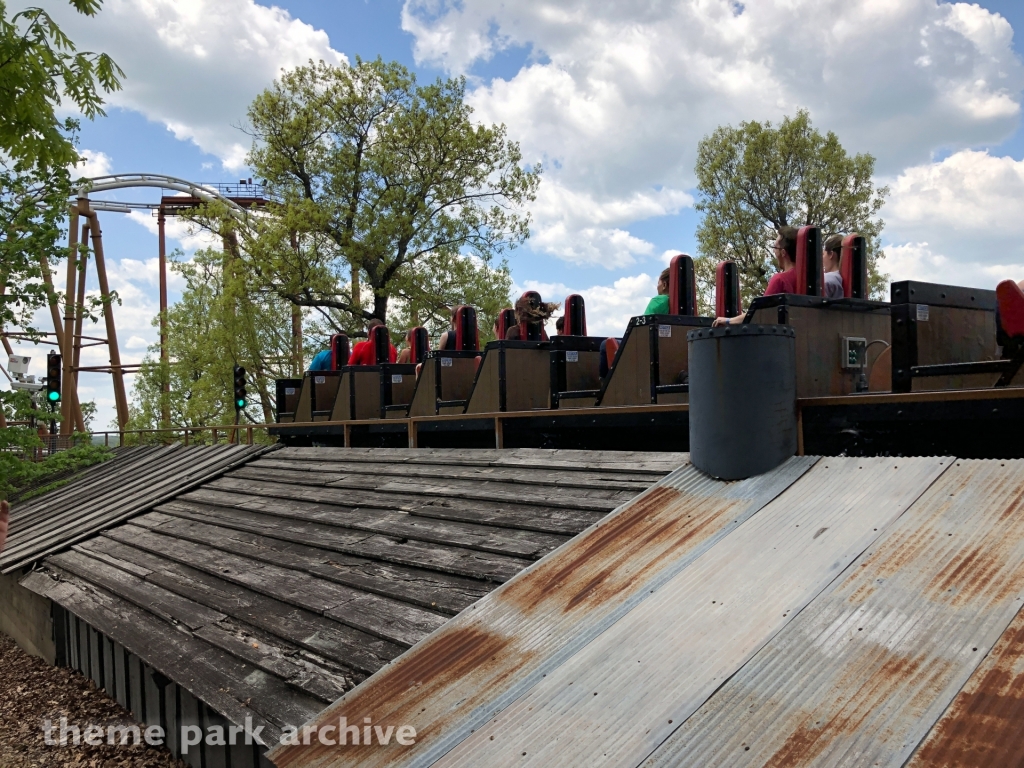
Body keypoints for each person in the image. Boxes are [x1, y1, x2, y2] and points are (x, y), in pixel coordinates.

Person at [713, 226, 799, 327]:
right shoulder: (807, 280)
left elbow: (758, 314)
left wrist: (728, 321)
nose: (774, 252)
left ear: (783, 252)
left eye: (775, 248)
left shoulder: (780, 280)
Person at [823, 234, 844, 299]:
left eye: (823, 254)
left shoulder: (826, 280)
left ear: (831, 255)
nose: (822, 258)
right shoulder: (845, 280)